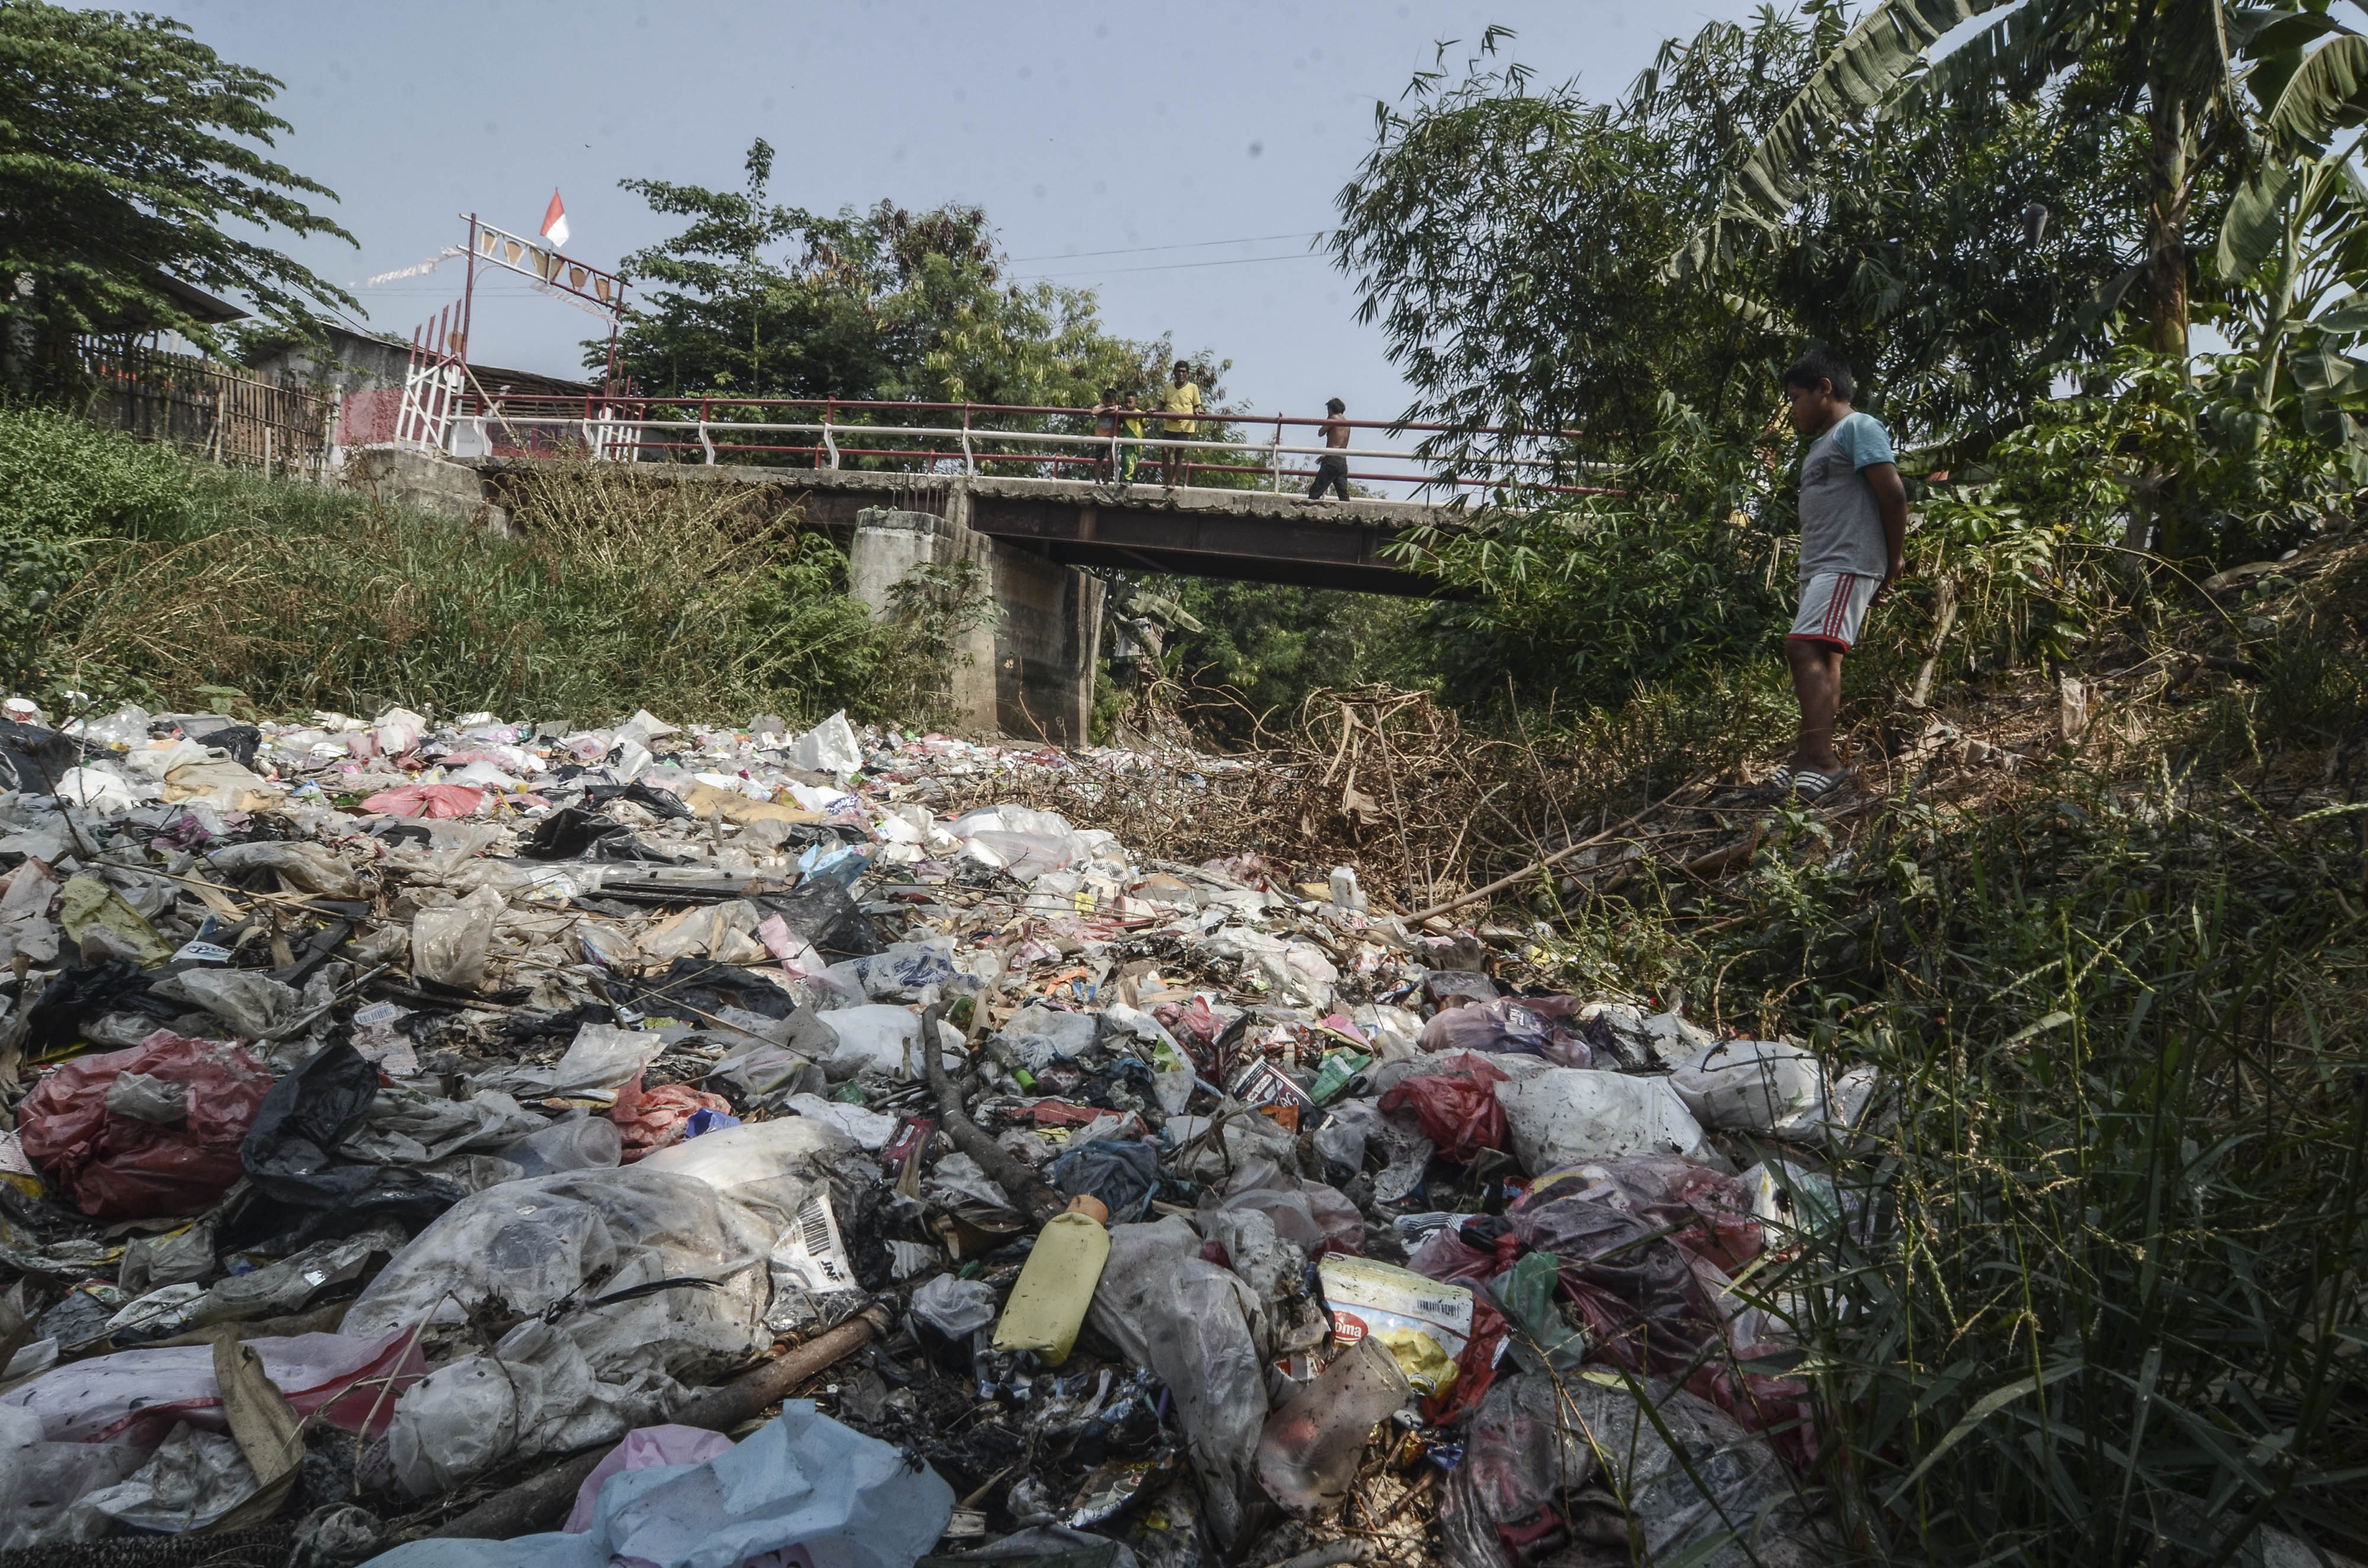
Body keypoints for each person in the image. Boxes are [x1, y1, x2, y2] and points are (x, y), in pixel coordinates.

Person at [1774, 346, 1907, 802]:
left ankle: (1825, 762)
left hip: (1848, 560)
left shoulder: (1860, 428)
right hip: (1822, 566)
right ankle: (1805, 758)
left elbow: (1893, 495)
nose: (1792, 409)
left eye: (1795, 397)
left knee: (1802, 646)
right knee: (1825, 655)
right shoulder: (1821, 445)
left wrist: (1895, 561)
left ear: (1824, 389)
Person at [1159, 359, 1202, 487]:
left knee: (1179, 455)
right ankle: (1167, 481)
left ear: (1187, 374)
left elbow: (1197, 406)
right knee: (1165, 453)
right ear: (1174, 373)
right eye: (1179, 372)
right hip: (1170, 426)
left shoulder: (1193, 388)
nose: (1181, 374)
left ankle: (1173, 482)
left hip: (1185, 427)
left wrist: (1198, 412)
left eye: (1184, 372)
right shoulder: (1169, 387)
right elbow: (1162, 403)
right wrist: (1154, 410)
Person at [1307, 397, 1350, 501]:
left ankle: (1305, 514)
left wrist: (1328, 418)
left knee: (1316, 490)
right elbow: (1339, 443)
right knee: (1343, 494)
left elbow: (1321, 432)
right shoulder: (1348, 424)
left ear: (1331, 409)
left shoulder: (1333, 419)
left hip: (1332, 459)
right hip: (1342, 460)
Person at [1090, 387, 1120, 481]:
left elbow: (1117, 409)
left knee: (1111, 460)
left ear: (1115, 401)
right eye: (1106, 401)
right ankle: (1097, 481)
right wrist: (1105, 410)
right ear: (1103, 400)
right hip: (1100, 437)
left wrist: (1110, 409)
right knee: (1099, 460)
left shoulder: (1117, 407)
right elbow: (1093, 411)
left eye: (1111, 402)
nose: (1108, 404)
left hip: (1112, 438)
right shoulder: (1100, 407)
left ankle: (1107, 481)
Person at [1118, 392, 1145, 485]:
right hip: (1125, 441)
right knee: (1125, 460)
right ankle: (1123, 478)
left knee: (1131, 460)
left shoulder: (1139, 413)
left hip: (1135, 442)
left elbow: (1146, 423)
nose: (1127, 405)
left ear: (1136, 403)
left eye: (1130, 402)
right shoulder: (1123, 414)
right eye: (1126, 402)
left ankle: (1128, 479)